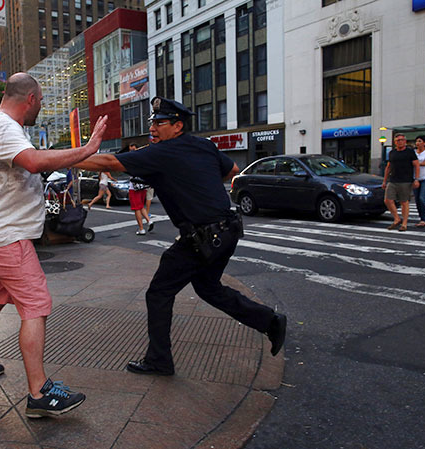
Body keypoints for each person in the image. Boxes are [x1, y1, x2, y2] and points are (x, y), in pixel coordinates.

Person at [75, 96, 286, 376]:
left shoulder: (163, 152)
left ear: (177, 126)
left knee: (159, 292)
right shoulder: (203, 146)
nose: (154, 128)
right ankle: (269, 321)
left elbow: (109, 161)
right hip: (227, 231)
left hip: (202, 237)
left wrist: (70, 157)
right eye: (153, 123)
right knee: (208, 288)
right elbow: (232, 170)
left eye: (160, 123)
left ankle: (159, 360)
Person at [0, 73, 108, 418]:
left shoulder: (0, 125)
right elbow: (35, 162)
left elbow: (34, 160)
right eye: (41, 102)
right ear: (32, 99)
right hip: (7, 237)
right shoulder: (3, 126)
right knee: (36, 305)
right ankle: (38, 393)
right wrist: (86, 149)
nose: (41, 107)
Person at [382, 133, 419, 232]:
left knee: (404, 202)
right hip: (393, 179)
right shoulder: (392, 153)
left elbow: (416, 165)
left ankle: (404, 223)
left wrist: (416, 179)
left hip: (406, 180)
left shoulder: (410, 152)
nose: (400, 142)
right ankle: (397, 218)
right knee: (388, 200)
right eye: (398, 140)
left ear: (405, 141)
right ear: (395, 142)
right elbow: (388, 167)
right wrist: (384, 180)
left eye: (402, 140)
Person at [127, 144, 154, 235]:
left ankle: (141, 228)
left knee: (136, 208)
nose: (132, 151)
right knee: (140, 206)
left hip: (134, 187)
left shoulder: (131, 159)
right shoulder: (144, 159)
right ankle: (148, 221)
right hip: (143, 186)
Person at [413, 135, 425, 227]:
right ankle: (421, 217)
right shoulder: (414, 152)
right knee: (417, 199)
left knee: (422, 197)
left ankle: (424, 219)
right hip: (416, 177)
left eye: (420, 141)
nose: (418, 143)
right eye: (417, 141)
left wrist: (415, 164)